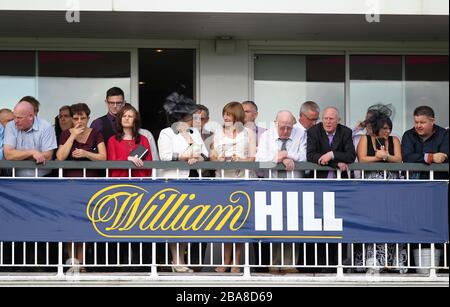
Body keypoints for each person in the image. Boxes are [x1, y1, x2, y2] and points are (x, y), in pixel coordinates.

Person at [3, 100, 57, 268]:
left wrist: (24, 155)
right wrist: (32, 152)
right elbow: (9, 155)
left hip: (42, 182)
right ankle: (16, 263)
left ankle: (44, 263)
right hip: (17, 182)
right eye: (15, 117)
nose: (15, 120)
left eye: (19, 117)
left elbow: (47, 156)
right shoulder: (12, 126)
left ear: (31, 116)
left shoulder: (46, 127)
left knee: (42, 222)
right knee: (15, 221)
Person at [158, 92, 208, 273]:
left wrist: (198, 158)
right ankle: (177, 261)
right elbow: (164, 157)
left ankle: (183, 260)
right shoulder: (166, 133)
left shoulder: (195, 132)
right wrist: (185, 156)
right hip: (174, 182)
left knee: (189, 222)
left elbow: (205, 154)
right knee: (175, 222)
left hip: (194, 181)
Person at [56, 103, 107, 272]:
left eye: (83, 118)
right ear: (71, 119)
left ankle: (82, 262)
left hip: (89, 185)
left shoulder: (96, 133)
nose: (79, 121)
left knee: (85, 223)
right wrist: (72, 136)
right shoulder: (65, 133)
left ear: (88, 118)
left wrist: (86, 154)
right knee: (71, 223)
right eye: (76, 118)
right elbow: (60, 157)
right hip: (69, 186)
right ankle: (72, 262)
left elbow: (103, 157)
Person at [355, 111, 407, 273]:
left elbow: (398, 159)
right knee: (372, 221)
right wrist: (378, 157)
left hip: (392, 186)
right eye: (384, 128)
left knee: (392, 221)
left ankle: (391, 262)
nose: (388, 131)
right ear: (377, 128)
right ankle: (371, 260)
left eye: (389, 128)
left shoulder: (394, 140)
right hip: (371, 187)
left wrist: (385, 156)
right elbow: (362, 159)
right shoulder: (365, 139)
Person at [210, 102, 256, 273]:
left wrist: (239, 160)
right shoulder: (218, 133)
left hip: (243, 181)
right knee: (226, 223)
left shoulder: (249, 132)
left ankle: (237, 262)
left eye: (229, 114)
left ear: (237, 116)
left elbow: (252, 158)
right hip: (223, 181)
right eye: (224, 114)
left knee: (239, 223)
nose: (226, 118)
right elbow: (212, 156)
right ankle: (225, 260)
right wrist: (219, 159)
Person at [256, 111, 303, 274]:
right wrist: (280, 157)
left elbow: (304, 156)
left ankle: (290, 264)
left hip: (294, 186)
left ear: (293, 125)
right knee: (275, 224)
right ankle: (274, 264)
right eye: (282, 127)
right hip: (273, 186)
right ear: (276, 124)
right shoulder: (266, 136)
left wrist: (288, 154)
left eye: (289, 128)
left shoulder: (301, 134)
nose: (285, 131)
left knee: (293, 225)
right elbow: (260, 158)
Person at [307, 107, 356, 179]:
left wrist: (332, 154)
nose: (328, 122)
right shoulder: (313, 131)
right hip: (318, 179)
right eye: (325, 118)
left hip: (340, 180)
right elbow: (310, 155)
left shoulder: (346, 132)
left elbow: (351, 156)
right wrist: (335, 164)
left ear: (338, 120)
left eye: (331, 119)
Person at [402, 106, 448, 180]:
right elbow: (407, 157)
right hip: (413, 182)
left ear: (432, 121)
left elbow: (443, 157)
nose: (418, 126)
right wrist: (431, 157)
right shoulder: (408, 135)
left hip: (438, 182)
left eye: (422, 122)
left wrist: (418, 157)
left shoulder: (444, 134)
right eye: (416, 122)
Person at [107, 104, 153, 178]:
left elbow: (149, 165)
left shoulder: (143, 139)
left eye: (130, 116)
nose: (126, 118)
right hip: (119, 182)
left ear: (135, 120)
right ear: (120, 119)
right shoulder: (113, 140)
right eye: (124, 116)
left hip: (140, 182)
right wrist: (128, 158)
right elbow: (111, 163)